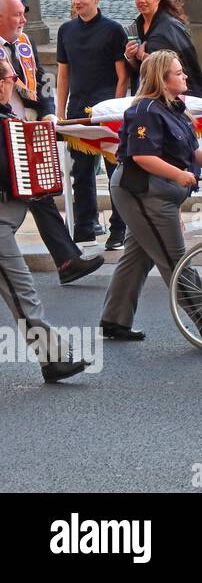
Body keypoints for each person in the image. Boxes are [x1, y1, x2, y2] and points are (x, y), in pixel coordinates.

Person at [98, 51, 202, 341]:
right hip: (143, 190)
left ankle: (115, 319)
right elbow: (142, 156)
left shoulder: (174, 108)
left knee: (138, 255)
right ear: (162, 81)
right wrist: (179, 175)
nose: (185, 76)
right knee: (172, 255)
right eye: (178, 73)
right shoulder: (146, 111)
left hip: (157, 191)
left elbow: (190, 151)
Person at [0, 0, 103, 284]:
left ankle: (67, 260)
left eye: (24, 13)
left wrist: (48, 113)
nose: (24, 20)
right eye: (18, 14)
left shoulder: (25, 43)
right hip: (2, 131)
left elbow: (41, 82)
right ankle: (66, 258)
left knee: (40, 192)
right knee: (27, 194)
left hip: (24, 131)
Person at [0, 56, 91, 383]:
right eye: (10, 79)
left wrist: (30, 178)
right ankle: (53, 359)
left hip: (8, 216)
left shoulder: (8, 118)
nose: (14, 84)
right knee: (24, 293)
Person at [56, 0, 129, 249]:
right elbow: (63, 75)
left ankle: (119, 229)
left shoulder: (113, 30)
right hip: (77, 109)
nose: (77, 2)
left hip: (108, 111)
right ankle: (85, 226)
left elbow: (123, 76)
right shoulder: (66, 30)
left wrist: (117, 108)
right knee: (81, 172)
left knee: (115, 173)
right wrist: (60, 113)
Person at [125, 0, 202, 96]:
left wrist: (142, 56)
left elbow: (173, 66)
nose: (142, 0)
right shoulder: (136, 26)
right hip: (149, 92)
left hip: (177, 94)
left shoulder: (170, 27)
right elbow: (140, 68)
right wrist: (130, 56)